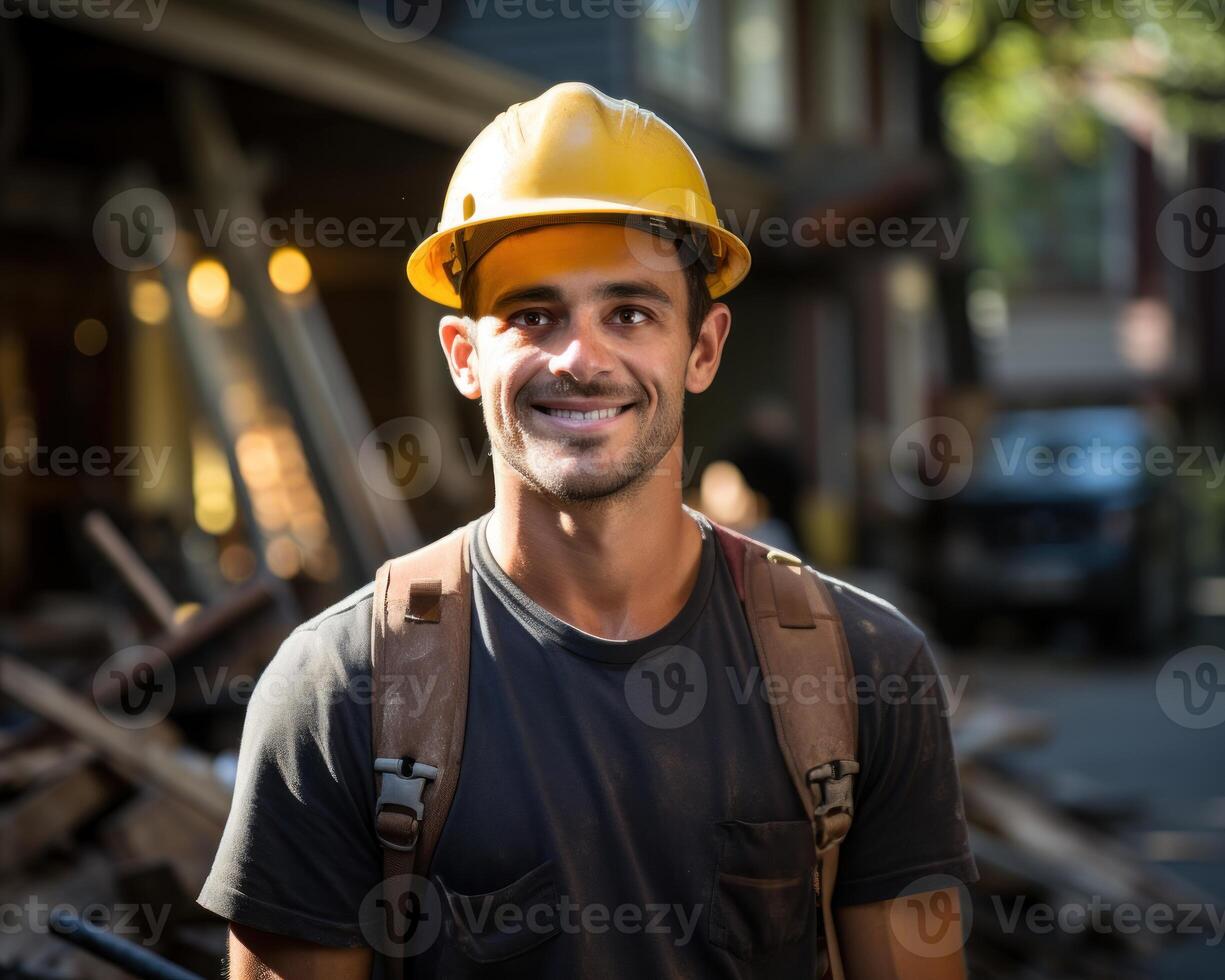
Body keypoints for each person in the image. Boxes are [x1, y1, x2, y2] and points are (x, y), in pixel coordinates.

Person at [199, 82, 977, 979]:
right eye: (532, 316)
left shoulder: (863, 670)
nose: (580, 358)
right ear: (464, 356)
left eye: (630, 313)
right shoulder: (339, 690)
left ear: (703, 349)